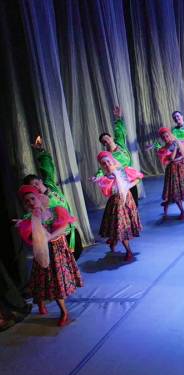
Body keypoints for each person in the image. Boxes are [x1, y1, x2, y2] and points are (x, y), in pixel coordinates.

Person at [15, 185, 83, 327]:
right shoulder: (30, 220)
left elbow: (63, 228)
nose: (30, 202)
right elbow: (32, 237)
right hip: (43, 252)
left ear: (39, 197)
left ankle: (63, 312)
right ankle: (41, 303)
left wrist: (49, 236)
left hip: (58, 251)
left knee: (56, 282)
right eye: (27, 201)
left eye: (32, 198)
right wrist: (31, 226)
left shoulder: (55, 211)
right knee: (40, 280)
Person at [26, 135, 83, 258]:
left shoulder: (50, 186)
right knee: (65, 262)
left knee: (77, 254)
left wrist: (41, 152)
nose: (36, 187)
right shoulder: (38, 201)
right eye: (33, 187)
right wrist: (23, 221)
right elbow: (33, 215)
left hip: (71, 230)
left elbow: (47, 169)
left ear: (40, 181)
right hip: (58, 237)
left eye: (36, 183)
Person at [93, 151, 143, 262]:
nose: (107, 165)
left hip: (126, 200)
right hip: (115, 203)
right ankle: (123, 247)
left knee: (121, 226)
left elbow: (138, 178)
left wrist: (128, 186)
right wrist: (98, 180)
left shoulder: (122, 170)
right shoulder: (105, 177)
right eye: (104, 163)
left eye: (108, 162)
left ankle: (121, 246)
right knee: (119, 226)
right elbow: (107, 190)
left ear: (112, 161)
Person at [97, 105, 140, 203]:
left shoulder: (120, 144)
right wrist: (98, 176)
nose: (107, 141)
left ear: (111, 138)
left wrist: (118, 118)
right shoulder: (108, 155)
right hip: (120, 181)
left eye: (107, 138)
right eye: (104, 141)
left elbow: (119, 131)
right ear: (104, 144)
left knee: (134, 202)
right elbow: (103, 167)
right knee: (123, 203)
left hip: (130, 176)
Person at [156, 127, 184, 219]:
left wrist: (182, 150)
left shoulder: (177, 142)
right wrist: (175, 148)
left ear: (170, 135)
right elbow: (171, 158)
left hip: (181, 167)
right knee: (174, 190)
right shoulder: (165, 148)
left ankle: (167, 207)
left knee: (179, 189)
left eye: (167, 136)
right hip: (173, 169)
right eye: (164, 137)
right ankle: (182, 211)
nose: (166, 138)